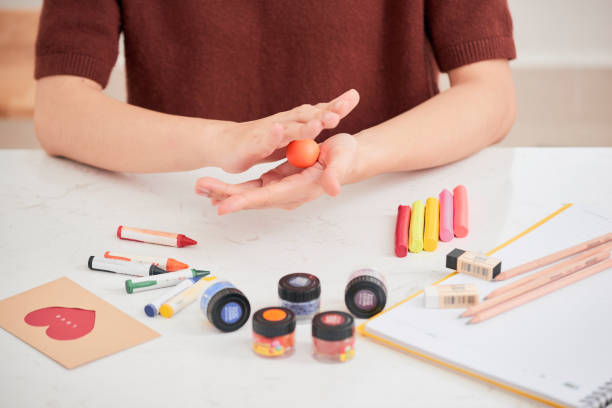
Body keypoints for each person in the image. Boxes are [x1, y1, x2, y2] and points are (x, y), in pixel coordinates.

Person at [34, 1, 516, 215]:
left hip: (393, 209)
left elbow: (490, 96)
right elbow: (60, 111)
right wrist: (221, 141)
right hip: (184, 212)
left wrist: (360, 156)